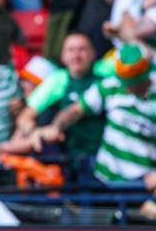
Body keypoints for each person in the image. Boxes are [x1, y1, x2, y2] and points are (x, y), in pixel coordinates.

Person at [32, 44, 156, 185]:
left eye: (133, 82)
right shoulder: (111, 86)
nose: (128, 87)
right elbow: (75, 110)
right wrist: (56, 126)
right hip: (106, 178)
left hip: (145, 182)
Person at [16, 33, 105, 158]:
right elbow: (24, 117)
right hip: (69, 157)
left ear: (93, 53)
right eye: (71, 50)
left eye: (82, 49)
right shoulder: (58, 79)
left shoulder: (105, 74)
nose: (76, 55)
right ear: (63, 56)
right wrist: (36, 133)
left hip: (102, 156)